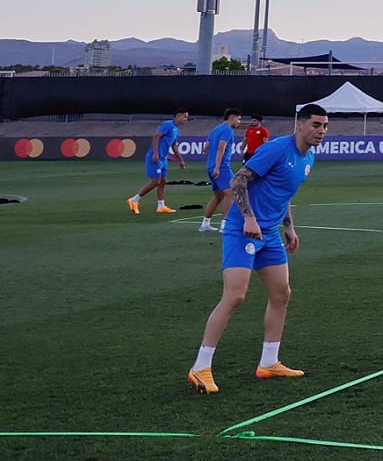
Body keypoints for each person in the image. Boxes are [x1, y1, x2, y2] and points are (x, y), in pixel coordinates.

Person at [186, 104, 331, 393]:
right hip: (243, 230)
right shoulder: (277, 149)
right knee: (235, 296)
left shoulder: (309, 157)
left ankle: (269, 362)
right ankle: (200, 368)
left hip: (270, 234)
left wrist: (289, 226)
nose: (321, 131)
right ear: (299, 124)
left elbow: (283, 193)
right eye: (316, 124)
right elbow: (238, 179)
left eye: (325, 126)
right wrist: (249, 217)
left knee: (281, 293)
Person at [129, 110, 188, 215]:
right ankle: (134, 200)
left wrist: (180, 160)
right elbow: (156, 136)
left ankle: (161, 206)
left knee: (163, 181)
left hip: (163, 158)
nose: (186, 119)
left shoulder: (176, 129)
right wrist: (155, 153)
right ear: (178, 116)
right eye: (185, 117)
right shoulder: (168, 124)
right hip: (155, 157)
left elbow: (174, 145)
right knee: (155, 182)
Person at [197, 108, 243, 232]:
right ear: (232, 118)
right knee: (231, 193)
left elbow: (205, 148)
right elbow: (221, 147)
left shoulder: (216, 129)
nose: (239, 122)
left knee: (219, 196)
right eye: (238, 119)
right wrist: (217, 167)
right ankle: (225, 225)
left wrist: (212, 163)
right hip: (221, 167)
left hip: (210, 166)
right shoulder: (227, 130)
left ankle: (205, 224)